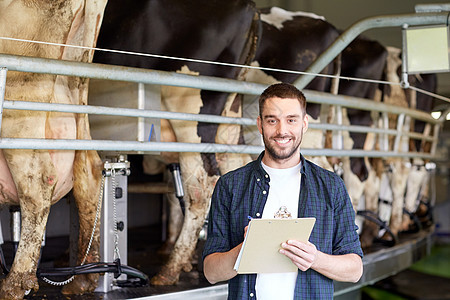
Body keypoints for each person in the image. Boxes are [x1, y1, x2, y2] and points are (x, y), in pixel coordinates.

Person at [202, 83, 363, 299]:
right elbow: (211, 272)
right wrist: (245, 250)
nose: (282, 131)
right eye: (272, 120)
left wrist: (315, 259)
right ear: (260, 125)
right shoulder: (230, 185)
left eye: (291, 120)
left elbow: (355, 270)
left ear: (304, 124)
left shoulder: (331, 186)